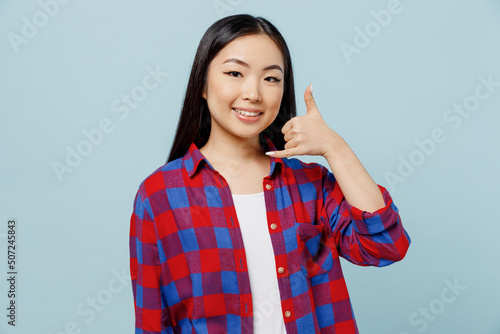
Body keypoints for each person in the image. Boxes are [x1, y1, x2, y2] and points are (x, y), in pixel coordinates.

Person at [129, 14, 410, 334]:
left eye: (271, 78)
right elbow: (154, 322)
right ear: (203, 86)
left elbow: (386, 245)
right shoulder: (158, 195)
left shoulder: (311, 184)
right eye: (235, 73)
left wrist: (335, 147)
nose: (253, 93)